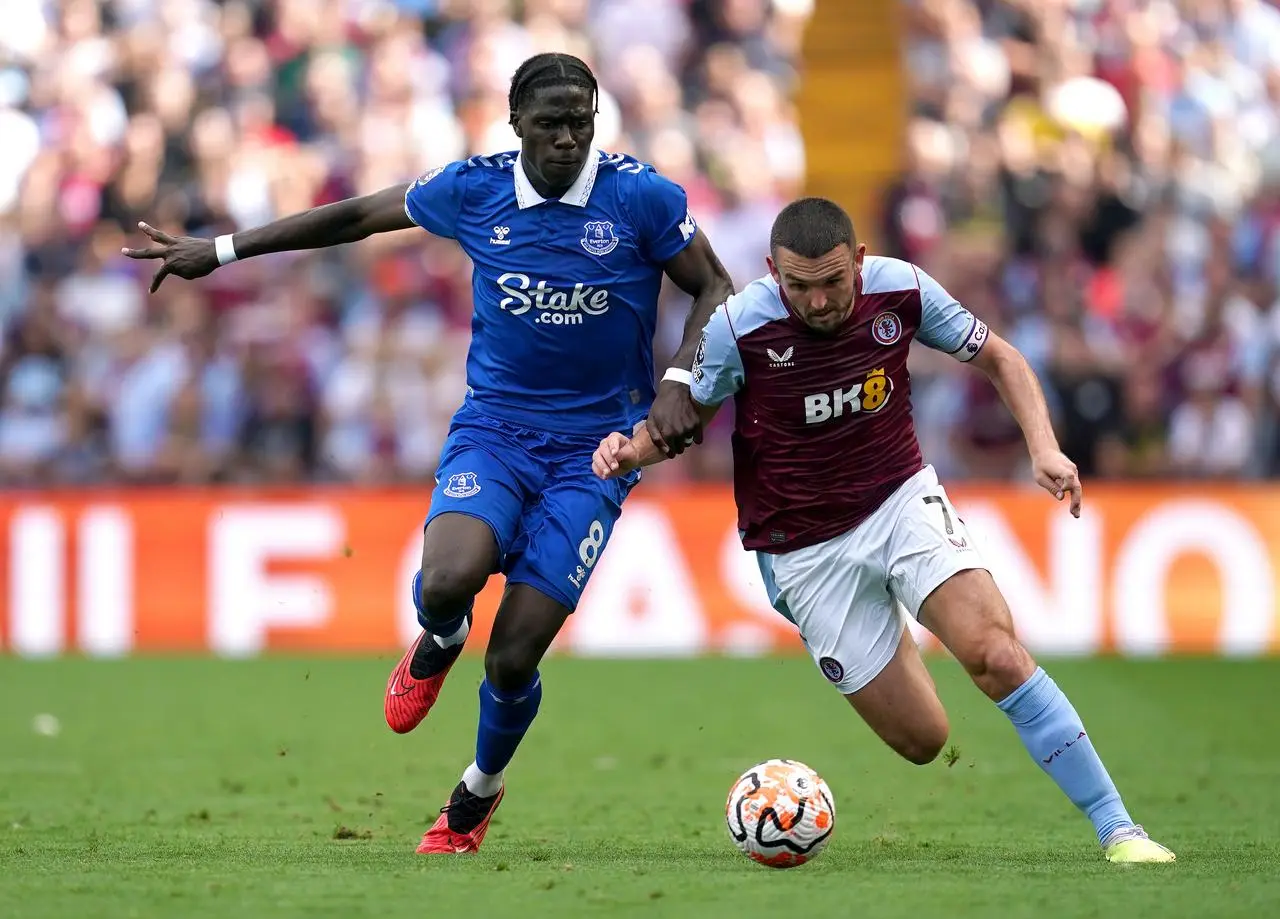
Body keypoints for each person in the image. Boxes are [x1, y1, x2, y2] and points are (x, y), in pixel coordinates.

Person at [124, 52, 735, 854]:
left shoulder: (641, 197)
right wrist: (226, 249)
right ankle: (440, 638)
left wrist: (683, 378)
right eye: (548, 124)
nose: (564, 140)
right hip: (497, 427)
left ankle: (475, 794)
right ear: (514, 124)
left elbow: (715, 285)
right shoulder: (474, 189)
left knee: (515, 657)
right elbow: (356, 218)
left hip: (598, 450)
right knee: (447, 579)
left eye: (579, 123)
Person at [591, 197, 1175, 864]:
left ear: (860, 261)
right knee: (924, 739)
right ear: (771, 272)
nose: (817, 301)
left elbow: (1003, 358)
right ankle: (891, 618)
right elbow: (682, 420)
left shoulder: (902, 289)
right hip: (804, 551)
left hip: (900, 500)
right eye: (799, 286)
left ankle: (1118, 828)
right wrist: (626, 450)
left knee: (996, 653)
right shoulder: (737, 326)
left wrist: (1043, 447)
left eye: (833, 282)